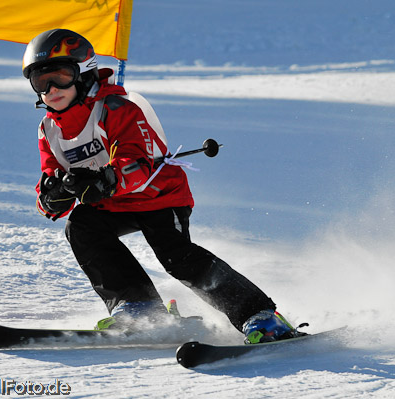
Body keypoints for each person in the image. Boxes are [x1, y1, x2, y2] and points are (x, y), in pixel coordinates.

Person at [22, 29, 304, 344]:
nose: (51, 89)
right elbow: (50, 176)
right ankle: (140, 309)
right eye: (40, 82)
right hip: (111, 205)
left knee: (177, 257)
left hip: (159, 197)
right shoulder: (49, 129)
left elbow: (137, 163)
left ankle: (260, 315)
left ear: (84, 72)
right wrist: (53, 195)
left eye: (60, 76)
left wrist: (107, 179)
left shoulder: (116, 109)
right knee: (81, 227)